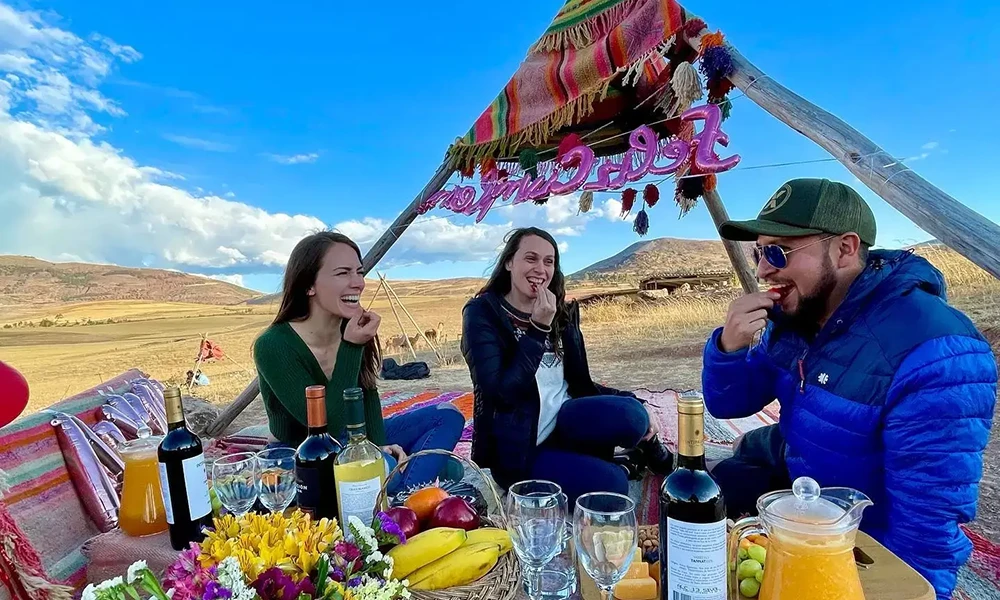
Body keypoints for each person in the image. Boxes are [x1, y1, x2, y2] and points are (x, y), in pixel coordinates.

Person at [702, 178, 997, 599]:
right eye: (758, 253)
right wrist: (728, 348)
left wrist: (896, 587)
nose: (763, 269)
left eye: (777, 252)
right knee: (720, 488)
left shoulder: (934, 351)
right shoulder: (797, 318)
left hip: (858, 532)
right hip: (810, 486)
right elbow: (728, 403)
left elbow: (927, 523)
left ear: (844, 248)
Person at [461, 227, 675, 505]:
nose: (540, 269)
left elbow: (580, 383)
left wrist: (633, 401)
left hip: (566, 422)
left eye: (549, 261)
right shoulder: (483, 313)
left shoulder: (561, 313)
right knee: (613, 487)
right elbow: (500, 393)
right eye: (531, 258)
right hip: (521, 450)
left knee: (633, 414)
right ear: (509, 263)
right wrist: (537, 328)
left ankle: (646, 444)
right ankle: (622, 464)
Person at [253, 231, 465, 492]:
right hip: (302, 454)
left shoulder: (351, 326)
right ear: (309, 285)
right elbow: (324, 428)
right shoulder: (274, 345)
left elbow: (368, 391)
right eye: (343, 273)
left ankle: (401, 488)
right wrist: (351, 348)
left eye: (359, 272)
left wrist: (376, 444)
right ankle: (404, 493)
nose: (358, 283)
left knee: (448, 415)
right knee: (438, 469)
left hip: (353, 437)